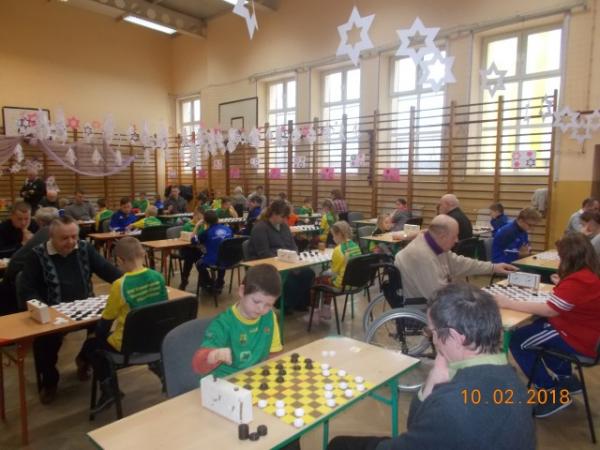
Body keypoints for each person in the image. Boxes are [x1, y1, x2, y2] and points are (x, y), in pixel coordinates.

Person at [327, 284, 535, 450]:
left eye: (432, 332)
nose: (433, 339)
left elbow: (414, 428)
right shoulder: (515, 382)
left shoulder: (452, 403)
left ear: (455, 337)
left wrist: (430, 384)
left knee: (339, 444)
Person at [495, 233, 600, 418]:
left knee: (518, 340)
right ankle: (566, 379)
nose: (559, 260)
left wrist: (508, 302)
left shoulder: (578, 281)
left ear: (569, 257)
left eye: (560, 256)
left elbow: (551, 310)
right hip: (583, 331)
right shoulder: (587, 275)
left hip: (578, 338)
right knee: (537, 327)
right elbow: (569, 301)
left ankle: (550, 392)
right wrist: (562, 283)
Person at [20, 216, 121, 403]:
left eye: (74, 236)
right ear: (51, 237)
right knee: (45, 345)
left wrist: (130, 282)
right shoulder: (36, 255)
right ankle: (50, 381)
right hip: (53, 311)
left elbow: (107, 270)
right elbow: (27, 288)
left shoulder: (84, 248)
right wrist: (41, 310)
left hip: (85, 307)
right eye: (64, 238)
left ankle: (85, 359)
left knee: (103, 330)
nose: (71, 242)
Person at [80, 237, 168, 413]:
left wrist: (97, 335)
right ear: (143, 254)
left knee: (91, 346)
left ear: (119, 260)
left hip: (128, 345)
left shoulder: (120, 285)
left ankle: (109, 390)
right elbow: (162, 309)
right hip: (156, 341)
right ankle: (162, 372)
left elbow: (106, 322)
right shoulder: (158, 277)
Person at [395, 215, 517, 300]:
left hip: (434, 301)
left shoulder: (435, 245)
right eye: (454, 237)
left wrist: (493, 267)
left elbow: (460, 263)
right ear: (442, 236)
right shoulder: (422, 256)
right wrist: (475, 296)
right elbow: (438, 296)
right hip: (423, 307)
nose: (457, 240)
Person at [192, 264, 282, 378]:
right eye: (256, 301)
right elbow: (197, 365)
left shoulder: (269, 317)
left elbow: (274, 354)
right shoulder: (223, 323)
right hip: (226, 381)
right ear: (242, 291)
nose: (261, 309)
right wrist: (214, 355)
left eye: (268, 305)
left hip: (253, 378)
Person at [247, 200, 315, 312]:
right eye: (283, 217)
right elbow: (263, 253)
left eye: (286, 217)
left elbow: (293, 245)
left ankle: (297, 303)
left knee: (308, 273)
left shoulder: (284, 226)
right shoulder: (260, 228)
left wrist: (293, 258)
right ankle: (286, 305)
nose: (285, 220)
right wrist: (285, 261)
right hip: (267, 264)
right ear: (274, 214)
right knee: (289, 280)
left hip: (286, 262)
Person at [0, 207, 58, 315]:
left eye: (27, 219)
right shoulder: (3, 228)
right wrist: (21, 244)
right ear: (12, 217)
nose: (23, 222)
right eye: (19, 219)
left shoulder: (35, 227)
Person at [310, 221, 361, 321]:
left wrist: (324, 273)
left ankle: (314, 313)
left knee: (317, 281)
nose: (333, 238)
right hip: (354, 283)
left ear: (339, 234)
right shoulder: (356, 246)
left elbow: (333, 273)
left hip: (341, 284)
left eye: (333, 235)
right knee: (327, 279)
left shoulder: (338, 250)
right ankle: (326, 309)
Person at [195, 210, 233, 292]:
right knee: (221, 258)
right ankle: (220, 282)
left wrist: (197, 226)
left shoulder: (206, 232)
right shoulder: (228, 229)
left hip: (214, 260)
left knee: (199, 264)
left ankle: (210, 283)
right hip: (229, 259)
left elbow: (193, 241)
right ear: (217, 219)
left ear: (205, 221)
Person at [179, 207, 206, 290]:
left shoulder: (204, 226)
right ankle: (185, 280)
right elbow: (186, 240)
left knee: (196, 257)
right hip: (187, 248)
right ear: (194, 215)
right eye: (198, 218)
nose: (200, 220)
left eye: (201, 219)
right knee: (191, 256)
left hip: (200, 249)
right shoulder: (187, 226)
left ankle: (203, 280)